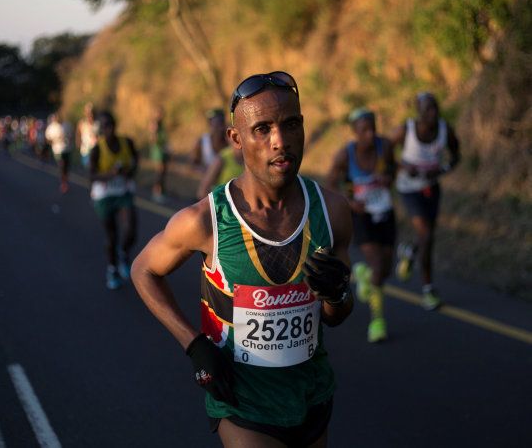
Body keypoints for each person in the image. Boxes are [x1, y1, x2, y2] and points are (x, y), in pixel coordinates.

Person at [131, 71, 353, 447]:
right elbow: (144, 270)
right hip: (243, 404)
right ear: (236, 138)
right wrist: (194, 344)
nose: (279, 141)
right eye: (262, 129)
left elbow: (337, 317)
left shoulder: (332, 211)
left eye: (291, 124)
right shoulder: (205, 220)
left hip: (312, 395)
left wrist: (336, 295)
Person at [327, 108, 396, 343]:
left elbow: (393, 168)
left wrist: (388, 178)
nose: (369, 134)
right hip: (361, 215)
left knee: (385, 269)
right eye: (364, 130)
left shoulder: (384, 146)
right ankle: (377, 322)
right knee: (377, 265)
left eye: (372, 128)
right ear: (355, 132)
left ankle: (364, 276)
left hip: (384, 212)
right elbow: (330, 185)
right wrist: (350, 203)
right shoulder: (345, 155)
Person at [390, 92, 460, 310]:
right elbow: (383, 151)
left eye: (435, 107)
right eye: (428, 108)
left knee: (427, 235)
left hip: (431, 188)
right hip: (409, 189)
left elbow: (456, 156)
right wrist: (403, 167)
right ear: (418, 111)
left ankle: (409, 251)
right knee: (427, 234)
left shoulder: (444, 130)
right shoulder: (406, 129)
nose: (433, 112)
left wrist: (442, 169)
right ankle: (428, 290)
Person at [90, 111, 139, 290]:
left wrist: (129, 171)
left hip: (123, 192)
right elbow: (92, 175)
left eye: (109, 125)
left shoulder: (127, 143)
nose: (107, 129)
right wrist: (111, 174)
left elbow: (135, 160)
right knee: (111, 236)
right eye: (103, 127)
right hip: (104, 196)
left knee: (131, 229)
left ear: (114, 125)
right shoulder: (97, 149)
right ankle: (112, 270)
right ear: (101, 130)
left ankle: (123, 254)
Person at [45, 113, 73, 193]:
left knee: (66, 168)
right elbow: (47, 139)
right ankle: (63, 183)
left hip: (67, 149)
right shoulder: (51, 127)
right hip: (57, 150)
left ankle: (65, 181)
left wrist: (67, 139)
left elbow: (71, 135)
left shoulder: (67, 125)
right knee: (62, 165)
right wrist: (54, 140)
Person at [148, 107, 170, 203]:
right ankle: (156, 192)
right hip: (158, 152)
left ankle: (161, 192)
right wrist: (159, 145)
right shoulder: (155, 124)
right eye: (159, 113)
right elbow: (153, 138)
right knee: (159, 172)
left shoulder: (162, 125)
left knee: (163, 172)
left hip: (164, 151)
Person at [76, 102, 98, 168]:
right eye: (88, 112)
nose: (90, 114)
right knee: (88, 167)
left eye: (91, 112)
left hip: (96, 149)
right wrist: (78, 143)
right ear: (85, 113)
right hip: (85, 150)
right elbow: (78, 134)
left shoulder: (98, 123)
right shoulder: (81, 123)